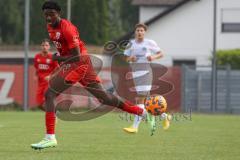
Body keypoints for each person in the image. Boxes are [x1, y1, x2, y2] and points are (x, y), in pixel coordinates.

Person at [31, 1, 155, 150]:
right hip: (81, 64)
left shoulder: (67, 29)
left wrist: (58, 58)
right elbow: (67, 51)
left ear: (59, 13)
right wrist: (61, 57)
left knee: (49, 94)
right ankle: (140, 111)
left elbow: (76, 57)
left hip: (78, 64)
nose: (49, 17)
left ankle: (50, 137)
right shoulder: (50, 26)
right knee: (104, 98)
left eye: (51, 14)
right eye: (46, 15)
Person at [123, 23, 171, 134]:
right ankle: (165, 117)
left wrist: (153, 57)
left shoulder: (150, 43)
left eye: (141, 30)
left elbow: (161, 54)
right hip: (135, 73)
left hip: (145, 72)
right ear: (135, 32)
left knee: (140, 99)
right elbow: (126, 58)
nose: (139, 32)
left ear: (144, 32)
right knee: (147, 103)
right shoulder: (130, 44)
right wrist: (131, 58)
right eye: (138, 30)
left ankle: (135, 127)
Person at [34, 39, 58, 111]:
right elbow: (37, 68)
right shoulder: (37, 57)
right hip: (40, 83)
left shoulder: (52, 57)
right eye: (43, 45)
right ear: (41, 46)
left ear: (49, 47)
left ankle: (52, 114)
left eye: (46, 45)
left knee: (47, 97)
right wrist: (35, 75)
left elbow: (58, 70)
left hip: (49, 83)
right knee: (39, 104)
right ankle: (52, 112)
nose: (45, 47)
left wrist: (50, 76)